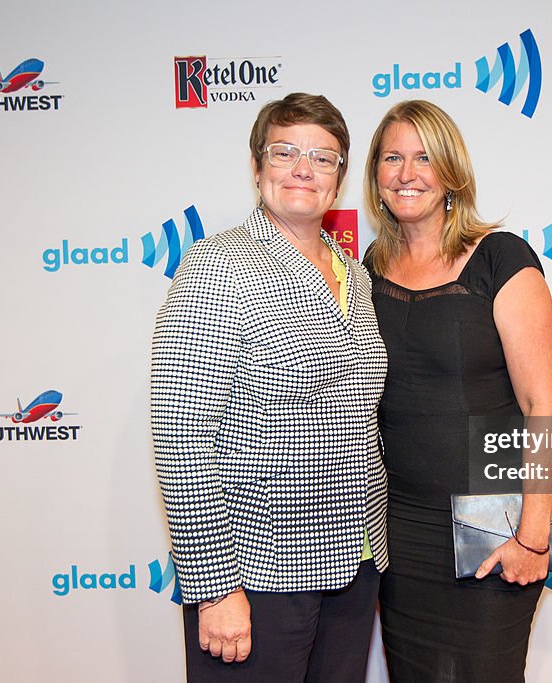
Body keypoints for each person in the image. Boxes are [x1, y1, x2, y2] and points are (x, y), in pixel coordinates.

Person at [151, 92, 389, 682]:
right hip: (257, 578)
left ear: (339, 179)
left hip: (355, 565)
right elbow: (183, 441)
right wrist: (214, 589)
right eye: (285, 153)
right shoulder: (218, 265)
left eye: (323, 157)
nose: (304, 168)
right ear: (258, 168)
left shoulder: (353, 273)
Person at [363, 100, 552, 682]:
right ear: (374, 173)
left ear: (451, 169)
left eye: (424, 157)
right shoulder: (363, 270)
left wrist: (533, 534)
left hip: (493, 523)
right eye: (392, 157)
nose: (407, 173)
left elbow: (542, 405)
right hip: (396, 528)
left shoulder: (502, 258)